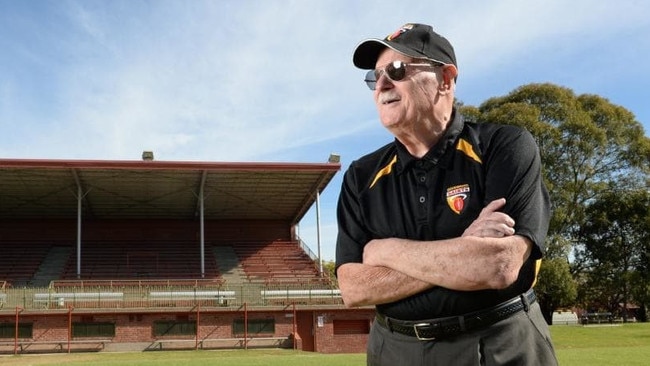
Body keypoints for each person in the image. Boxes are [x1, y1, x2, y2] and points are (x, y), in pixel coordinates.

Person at [335, 23, 558, 365]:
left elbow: (498, 265)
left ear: (446, 80)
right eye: (374, 76)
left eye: (397, 70)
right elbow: (353, 288)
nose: (381, 84)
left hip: (500, 343)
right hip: (395, 349)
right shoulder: (361, 176)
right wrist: (462, 251)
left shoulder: (504, 146)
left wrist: (385, 250)